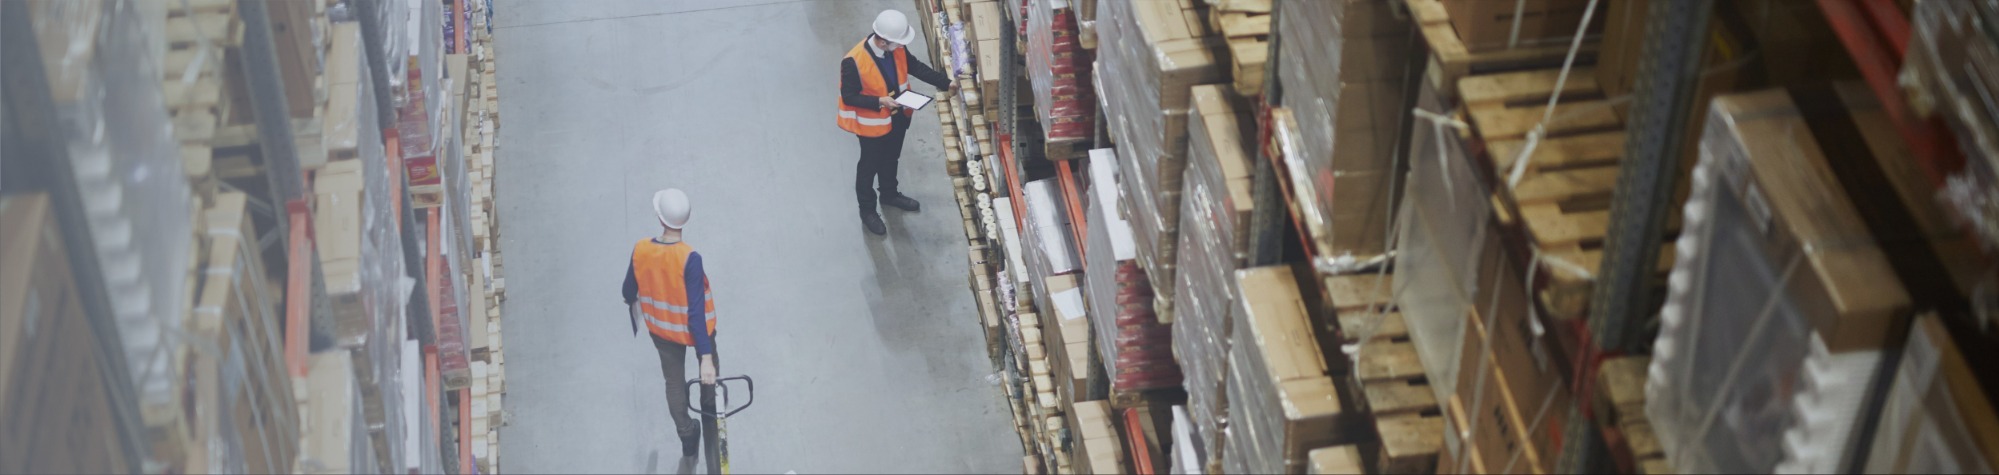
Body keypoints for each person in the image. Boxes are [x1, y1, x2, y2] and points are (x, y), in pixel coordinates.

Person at [839, 9, 955, 236]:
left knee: (892, 158)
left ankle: (889, 194)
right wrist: (879, 101)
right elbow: (849, 96)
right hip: (872, 127)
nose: (900, 47)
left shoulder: (897, 47)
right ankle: (867, 211)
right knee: (868, 168)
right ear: (882, 41)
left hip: (898, 118)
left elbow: (915, 66)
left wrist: (946, 83)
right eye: (896, 43)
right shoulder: (853, 61)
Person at [623, 188, 719, 458]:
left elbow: (628, 291)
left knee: (674, 384)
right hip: (696, 332)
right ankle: (709, 409)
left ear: (660, 217)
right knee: (709, 371)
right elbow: (696, 315)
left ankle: (688, 435)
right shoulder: (690, 258)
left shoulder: (641, 249)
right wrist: (706, 357)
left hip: (663, 332)